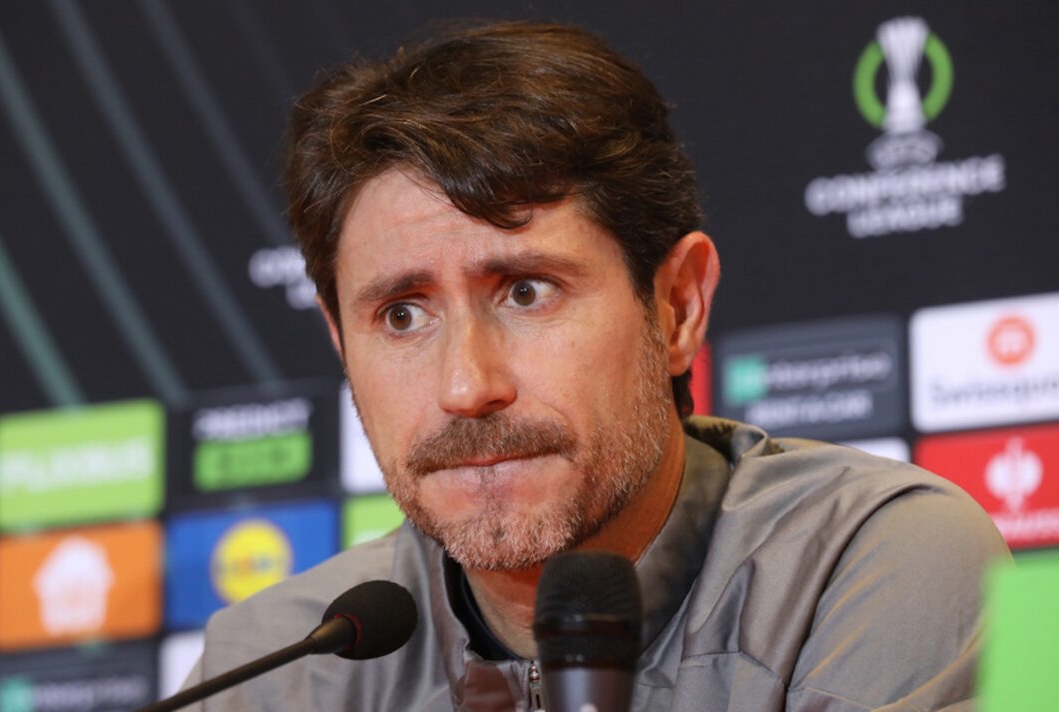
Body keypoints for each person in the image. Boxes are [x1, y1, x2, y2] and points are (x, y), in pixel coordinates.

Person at [182, 21, 1009, 711]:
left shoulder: (873, 564)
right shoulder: (277, 667)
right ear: (340, 343)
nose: (467, 387)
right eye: (402, 315)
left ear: (677, 306)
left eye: (527, 292)